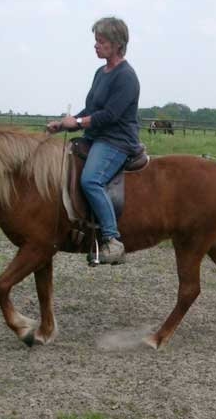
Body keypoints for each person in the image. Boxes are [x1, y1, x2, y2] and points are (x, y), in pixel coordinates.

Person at [47, 16, 141, 265]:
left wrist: (77, 124)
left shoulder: (126, 77)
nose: (96, 45)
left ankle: (112, 241)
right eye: (96, 41)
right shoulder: (101, 72)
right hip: (96, 136)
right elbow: (90, 109)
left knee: (90, 180)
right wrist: (63, 124)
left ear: (117, 44)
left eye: (101, 41)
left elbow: (109, 116)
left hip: (116, 140)